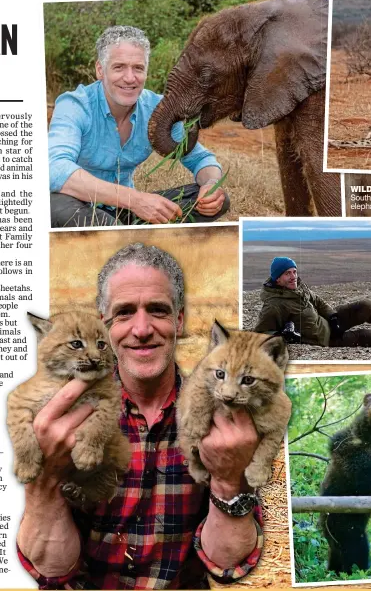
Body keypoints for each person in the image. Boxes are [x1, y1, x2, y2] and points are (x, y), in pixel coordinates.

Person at [16, 243, 262, 589]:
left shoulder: (222, 421)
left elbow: (227, 562)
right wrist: (44, 479)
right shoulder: (62, 418)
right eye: (124, 312)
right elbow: (52, 569)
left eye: (158, 311)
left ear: (179, 320)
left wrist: (228, 477)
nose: (142, 328)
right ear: (104, 326)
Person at [49, 26, 229, 227]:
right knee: (54, 206)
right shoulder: (75, 105)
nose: (129, 78)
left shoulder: (158, 109)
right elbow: (55, 169)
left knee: (219, 201)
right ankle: (125, 236)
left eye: (138, 68)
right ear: (100, 70)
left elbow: (202, 159)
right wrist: (135, 200)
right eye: (119, 67)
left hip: (125, 212)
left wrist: (211, 185)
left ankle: (123, 235)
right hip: (79, 205)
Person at [253, 257, 371, 347]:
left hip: (327, 323)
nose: (293, 276)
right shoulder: (273, 305)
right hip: (324, 339)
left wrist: (333, 317)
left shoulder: (298, 287)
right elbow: (260, 334)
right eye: (288, 273)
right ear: (277, 278)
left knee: (367, 306)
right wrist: (287, 336)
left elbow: (317, 302)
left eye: (294, 271)